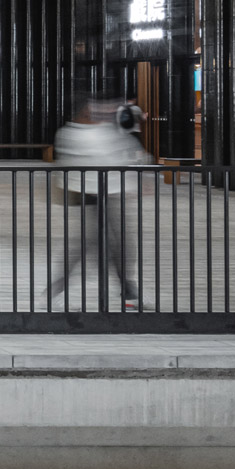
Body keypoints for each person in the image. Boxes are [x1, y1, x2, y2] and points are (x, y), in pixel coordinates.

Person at [45, 94, 148, 308]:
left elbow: (127, 154)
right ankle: (58, 287)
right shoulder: (75, 134)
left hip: (108, 192)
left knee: (116, 242)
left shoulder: (94, 132)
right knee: (89, 243)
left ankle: (126, 288)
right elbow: (116, 156)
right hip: (93, 193)